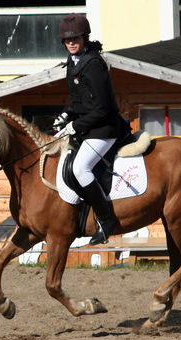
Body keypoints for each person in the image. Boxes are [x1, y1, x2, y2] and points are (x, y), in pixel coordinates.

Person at [54, 13, 130, 245]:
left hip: (104, 129)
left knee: (80, 168)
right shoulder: (73, 61)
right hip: (87, 127)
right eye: (67, 40)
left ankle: (107, 220)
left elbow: (102, 108)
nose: (71, 42)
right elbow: (78, 100)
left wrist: (74, 126)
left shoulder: (94, 64)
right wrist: (65, 115)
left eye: (75, 38)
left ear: (84, 37)